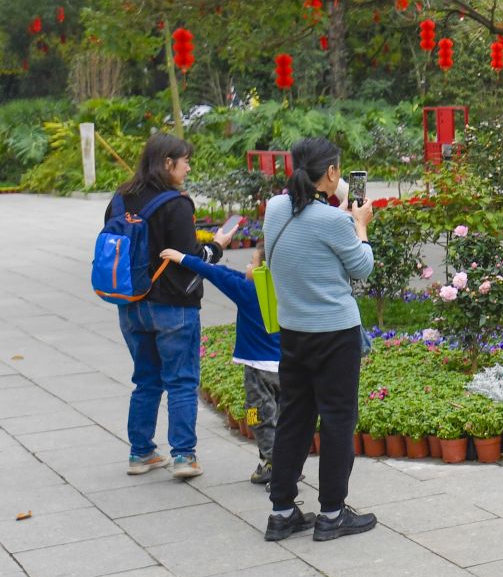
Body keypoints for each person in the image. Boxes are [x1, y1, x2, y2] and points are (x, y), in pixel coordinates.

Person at [260, 137, 377, 542]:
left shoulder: (275, 208)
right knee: (338, 419)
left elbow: (304, 232)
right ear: (330, 173)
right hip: (335, 334)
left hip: (294, 331)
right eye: (338, 169)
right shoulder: (335, 222)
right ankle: (331, 514)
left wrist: (341, 216)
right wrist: (359, 224)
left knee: (294, 416)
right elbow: (363, 267)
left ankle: (281, 512)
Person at [110, 133, 234, 480]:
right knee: (181, 380)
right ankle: (183, 457)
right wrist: (218, 247)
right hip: (173, 306)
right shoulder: (176, 203)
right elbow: (189, 259)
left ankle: (141, 453)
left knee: (146, 380)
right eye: (185, 160)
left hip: (131, 303)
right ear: (168, 163)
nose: (189, 166)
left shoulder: (121, 198)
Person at [159, 245, 280, 485]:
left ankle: (274, 466)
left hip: (258, 372)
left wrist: (183, 258)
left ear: (262, 270)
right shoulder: (282, 289)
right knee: (283, 417)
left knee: (257, 416)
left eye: (251, 262)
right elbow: (228, 274)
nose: (246, 266)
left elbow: (219, 277)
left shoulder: (247, 291)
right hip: (287, 369)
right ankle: (285, 461)